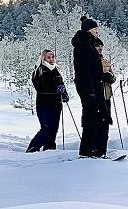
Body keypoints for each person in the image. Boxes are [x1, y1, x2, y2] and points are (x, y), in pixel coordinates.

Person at [71, 16, 112, 158]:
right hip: (89, 89)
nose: (97, 32)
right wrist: (90, 91)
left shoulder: (87, 44)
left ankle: (90, 151)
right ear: (89, 30)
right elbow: (84, 71)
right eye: (95, 29)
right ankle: (86, 151)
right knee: (90, 119)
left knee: (94, 118)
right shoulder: (84, 46)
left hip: (93, 88)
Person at [26, 50, 69, 153]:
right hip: (44, 104)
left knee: (54, 129)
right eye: (48, 57)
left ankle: (49, 150)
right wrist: (56, 90)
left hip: (56, 104)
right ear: (43, 58)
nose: (51, 59)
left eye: (52, 57)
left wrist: (64, 93)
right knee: (46, 128)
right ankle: (32, 149)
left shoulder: (56, 69)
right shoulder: (39, 70)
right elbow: (40, 87)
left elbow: (61, 84)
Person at [94, 38, 116, 158]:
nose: (100, 48)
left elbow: (113, 75)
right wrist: (101, 77)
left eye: (101, 46)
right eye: (97, 46)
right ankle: (94, 150)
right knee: (96, 124)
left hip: (106, 96)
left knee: (105, 124)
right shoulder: (89, 61)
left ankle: (102, 151)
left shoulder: (106, 61)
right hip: (95, 98)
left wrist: (111, 78)